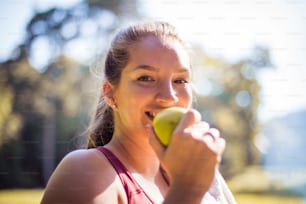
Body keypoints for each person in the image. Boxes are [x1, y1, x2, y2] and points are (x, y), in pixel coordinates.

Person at [41, 21, 236, 204]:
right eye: (146, 78)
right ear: (111, 93)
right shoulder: (84, 171)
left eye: (180, 80)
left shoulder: (198, 177)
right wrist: (188, 190)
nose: (169, 96)